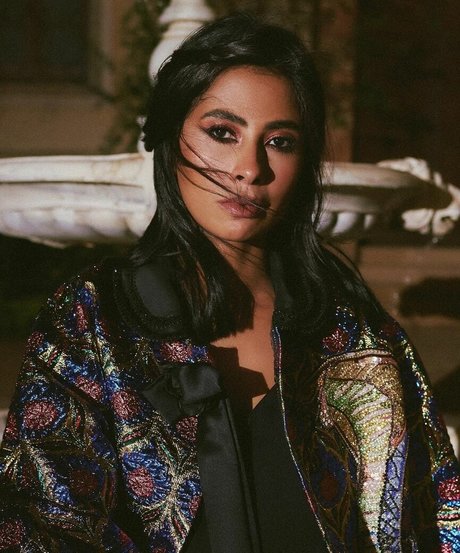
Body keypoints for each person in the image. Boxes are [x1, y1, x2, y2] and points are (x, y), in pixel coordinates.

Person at [0, 13, 459, 553]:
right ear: (171, 136)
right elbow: (40, 526)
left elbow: (436, 517)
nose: (249, 169)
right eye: (222, 133)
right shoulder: (93, 320)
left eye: (280, 141)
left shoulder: (353, 332)